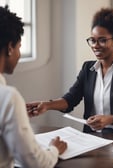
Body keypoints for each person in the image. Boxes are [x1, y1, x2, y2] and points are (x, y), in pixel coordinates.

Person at [27, 8, 113, 134]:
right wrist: (47, 105)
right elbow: (70, 99)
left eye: (102, 40)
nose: (95, 45)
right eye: (93, 40)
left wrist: (112, 119)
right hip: (92, 137)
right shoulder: (88, 69)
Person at [0, 6, 67, 168]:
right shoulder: (8, 97)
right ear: (10, 48)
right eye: (19, 46)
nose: (19, 53)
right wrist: (54, 149)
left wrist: (16, 114)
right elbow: (35, 163)